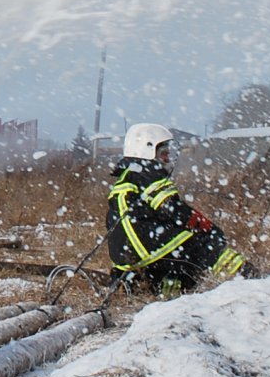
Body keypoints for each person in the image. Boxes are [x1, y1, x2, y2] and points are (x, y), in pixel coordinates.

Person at [104, 123, 251, 297]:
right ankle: (245, 277)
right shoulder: (149, 172)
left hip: (125, 254)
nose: (166, 159)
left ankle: (165, 289)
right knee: (204, 242)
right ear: (147, 149)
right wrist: (201, 223)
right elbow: (170, 207)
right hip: (146, 244)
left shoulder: (125, 178)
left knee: (175, 262)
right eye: (164, 154)